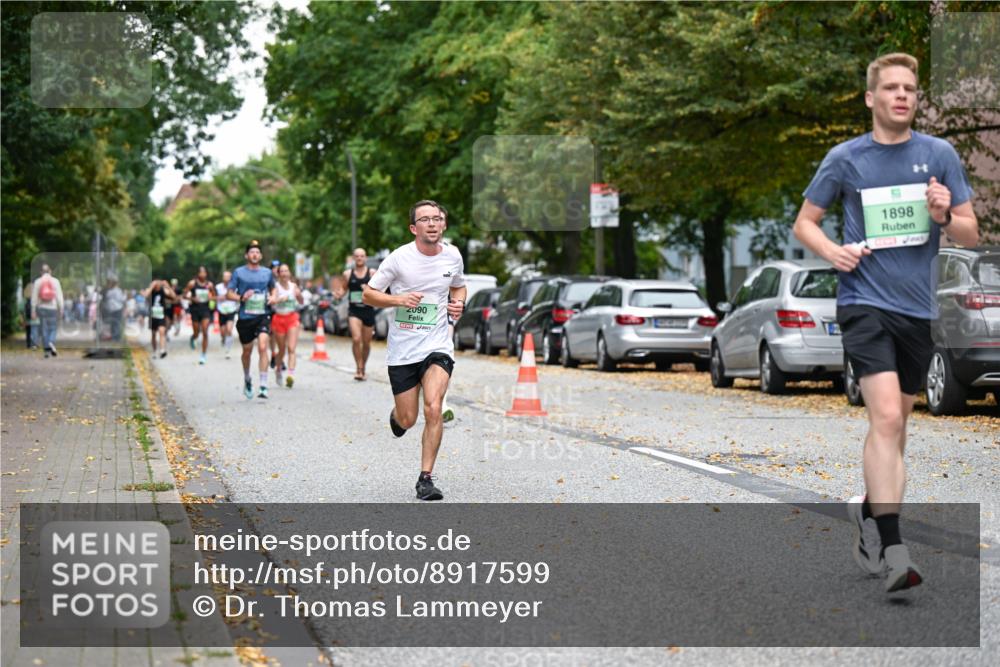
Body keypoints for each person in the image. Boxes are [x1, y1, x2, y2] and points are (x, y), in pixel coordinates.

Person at [793, 52, 978, 594]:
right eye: (892, 88)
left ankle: (868, 510)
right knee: (889, 418)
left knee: (896, 433)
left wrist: (945, 214)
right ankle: (896, 549)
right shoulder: (845, 159)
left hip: (918, 310)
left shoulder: (939, 154)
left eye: (911, 89)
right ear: (871, 98)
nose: (903, 95)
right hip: (864, 303)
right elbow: (806, 222)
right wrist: (833, 251)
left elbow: (969, 232)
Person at [363, 200, 466, 501]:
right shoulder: (398, 259)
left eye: (437, 218)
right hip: (404, 350)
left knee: (434, 406)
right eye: (425, 219)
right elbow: (369, 294)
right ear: (413, 227)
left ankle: (426, 479)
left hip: (438, 344)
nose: (432, 224)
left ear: (443, 224)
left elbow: (459, 286)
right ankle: (398, 418)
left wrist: (459, 303)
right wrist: (399, 300)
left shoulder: (453, 256)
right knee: (409, 418)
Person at [227, 241, 277, 399]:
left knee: (263, 347)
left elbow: (273, 288)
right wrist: (241, 297)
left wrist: (273, 297)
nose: (254, 254)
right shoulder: (238, 272)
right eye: (251, 252)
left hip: (263, 315)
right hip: (245, 317)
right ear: (246, 255)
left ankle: (263, 385)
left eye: (257, 252)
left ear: (260, 256)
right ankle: (247, 378)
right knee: (247, 351)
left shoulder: (267, 273)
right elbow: (229, 293)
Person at [342, 248, 376, 380]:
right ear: (353, 258)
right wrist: (338, 294)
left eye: (362, 256)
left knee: (366, 343)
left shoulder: (372, 273)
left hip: (368, 310)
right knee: (356, 339)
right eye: (357, 256)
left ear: (365, 258)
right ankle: (358, 368)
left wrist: (368, 288)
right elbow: (343, 289)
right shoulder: (347, 274)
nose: (360, 258)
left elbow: (379, 290)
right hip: (354, 310)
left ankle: (363, 367)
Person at [271, 264, 304, 388]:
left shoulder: (293, 286)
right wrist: (281, 299)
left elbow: (301, 302)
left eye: (286, 271)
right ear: (279, 274)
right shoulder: (275, 287)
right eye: (282, 271)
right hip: (279, 319)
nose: (284, 273)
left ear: (289, 273)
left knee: (291, 348)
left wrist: (299, 295)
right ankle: (278, 369)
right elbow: (272, 301)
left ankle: (290, 375)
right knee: (282, 350)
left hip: (292, 318)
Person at [183, 266, 214, 364]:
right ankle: (193, 337)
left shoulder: (209, 284)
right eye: (201, 272)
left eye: (204, 272)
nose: (203, 274)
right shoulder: (192, 283)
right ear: (198, 274)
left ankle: (203, 355)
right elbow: (184, 295)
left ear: (206, 274)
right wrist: (192, 299)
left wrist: (211, 296)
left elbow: (213, 295)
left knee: (205, 331)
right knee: (197, 332)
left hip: (205, 309)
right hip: (195, 310)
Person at [31, 264, 64, 358]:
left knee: (44, 329)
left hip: (41, 308)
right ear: (50, 271)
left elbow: (34, 297)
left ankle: (46, 351)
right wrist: (61, 308)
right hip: (52, 308)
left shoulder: (38, 281)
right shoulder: (55, 281)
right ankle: (51, 342)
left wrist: (33, 310)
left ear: (41, 272)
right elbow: (59, 296)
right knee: (53, 328)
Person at [142, 279, 176, 358]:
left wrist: (168, 286)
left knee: (162, 331)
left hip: (161, 314)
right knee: (153, 334)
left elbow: (173, 296)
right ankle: (154, 351)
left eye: (159, 283)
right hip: (152, 315)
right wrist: (151, 286)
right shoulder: (150, 290)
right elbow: (145, 295)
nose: (158, 285)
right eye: (156, 283)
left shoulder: (163, 290)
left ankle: (162, 350)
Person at [216, 270, 239, 359]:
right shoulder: (218, 287)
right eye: (225, 276)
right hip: (221, 311)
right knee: (222, 332)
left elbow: (238, 298)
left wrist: (233, 298)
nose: (227, 278)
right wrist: (219, 297)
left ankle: (228, 350)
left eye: (228, 276)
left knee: (229, 330)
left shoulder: (235, 288)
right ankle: (223, 338)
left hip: (231, 310)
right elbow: (211, 297)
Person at [101, 277, 126, 343]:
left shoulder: (118, 290)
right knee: (112, 323)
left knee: (117, 323)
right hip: (110, 309)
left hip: (117, 308)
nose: (110, 284)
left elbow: (121, 299)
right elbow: (105, 298)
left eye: (111, 283)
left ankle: (116, 338)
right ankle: (113, 337)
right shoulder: (108, 290)